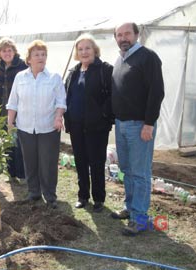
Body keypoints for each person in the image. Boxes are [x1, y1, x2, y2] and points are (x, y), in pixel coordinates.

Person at [111, 22, 164, 236]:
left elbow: (156, 92)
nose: (123, 38)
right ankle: (130, 207)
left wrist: (149, 123)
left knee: (140, 172)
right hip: (121, 124)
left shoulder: (147, 57)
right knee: (127, 169)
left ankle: (140, 218)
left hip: (140, 125)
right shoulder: (120, 59)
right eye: (119, 34)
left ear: (136, 34)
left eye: (127, 34)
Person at [6, 40, 66, 209]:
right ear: (29, 59)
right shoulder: (20, 77)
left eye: (43, 54)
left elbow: (61, 101)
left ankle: (50, 195)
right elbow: (13, 103)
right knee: (30, 162)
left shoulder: (54, 78)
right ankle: (34, 192)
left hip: (48, 128)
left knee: (48, 163)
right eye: (36, 55)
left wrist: (58, 117)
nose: (40, 57)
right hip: (25, 127)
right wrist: (10, 124)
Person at [64, 34, 113, 213]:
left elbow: (112, 96)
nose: (84, 52)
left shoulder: (105, 69)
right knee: (80, 161)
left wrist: (104, 115)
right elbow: (67, 96)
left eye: (87, 48)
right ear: (77, 53)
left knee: (97, 162)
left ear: (95, 50)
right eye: (80, 49)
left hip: (97, 127)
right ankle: (83, 196)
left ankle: (99, 198)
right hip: (76, 126)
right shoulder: (74, 72)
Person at [0, 37, 28, 182]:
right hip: (2, 112)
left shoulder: (23, 65)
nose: (7, 53)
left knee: (20, 143)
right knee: (7, 143)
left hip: (20, 111)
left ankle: (23, 174)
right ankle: (11, 174)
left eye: (9, 50)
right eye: (4, 51)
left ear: (14, 51)